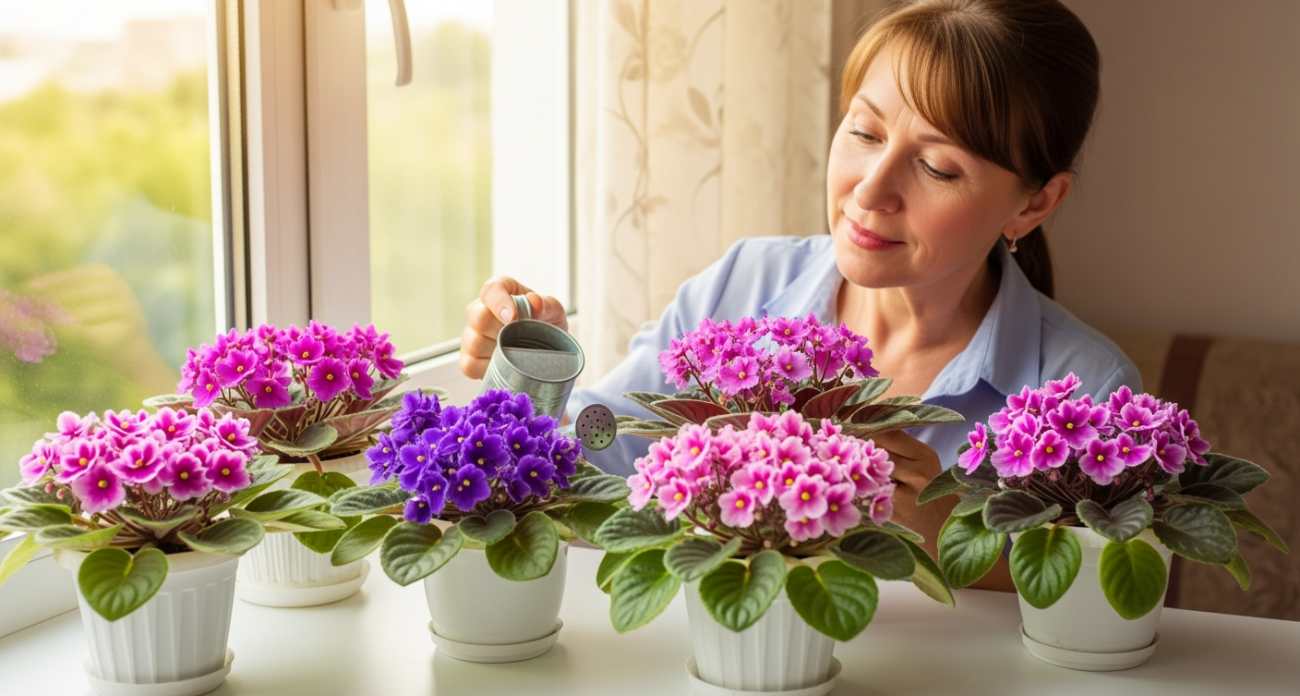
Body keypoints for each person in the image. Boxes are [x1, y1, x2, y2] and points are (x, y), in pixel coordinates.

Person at [459, 0, 1140, 589]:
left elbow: (1107, 606)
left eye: (937, 165)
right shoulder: (744, 284)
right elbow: (610, 442)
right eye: (864, 131)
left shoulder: (1085, 393)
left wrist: (950, 532)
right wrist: (527, 384)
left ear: (1034, 203)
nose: (869, 189)